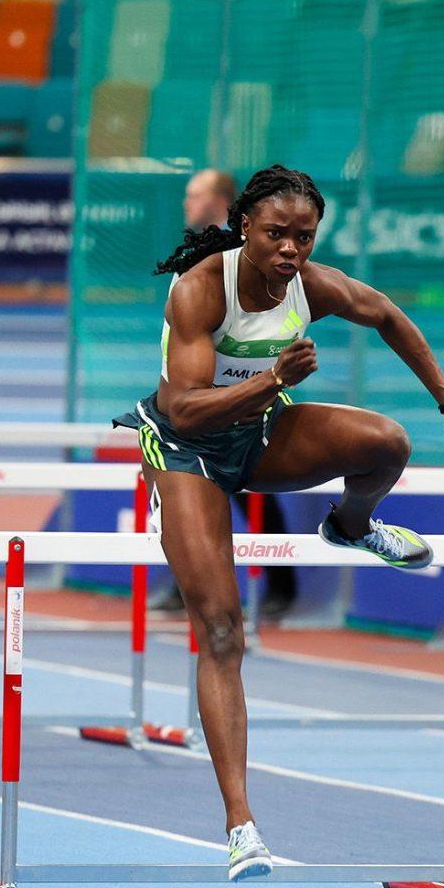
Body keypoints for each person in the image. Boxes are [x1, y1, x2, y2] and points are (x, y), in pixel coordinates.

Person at [122, 164, 444, 879]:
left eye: (304, 236)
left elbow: (388, 316)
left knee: (386, 443)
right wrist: (273, 379)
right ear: (244, 228)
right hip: (186, 450)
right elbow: (185, 409)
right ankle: (242, 827)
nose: (290, 249)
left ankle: (351, 526)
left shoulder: (312, 284)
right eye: (276, 234)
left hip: (260, 431)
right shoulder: (201, 288)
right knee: (222, 629)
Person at [149, 168, 299, 619]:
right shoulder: (193, 255)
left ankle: (281, 588)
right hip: (191, 398)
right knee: (187, 499)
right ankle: (189, 587)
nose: (186, 203)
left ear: (218, 202)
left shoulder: (249, 256)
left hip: (242, 400)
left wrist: (254, 382)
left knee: (253, 495)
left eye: (194, 196)